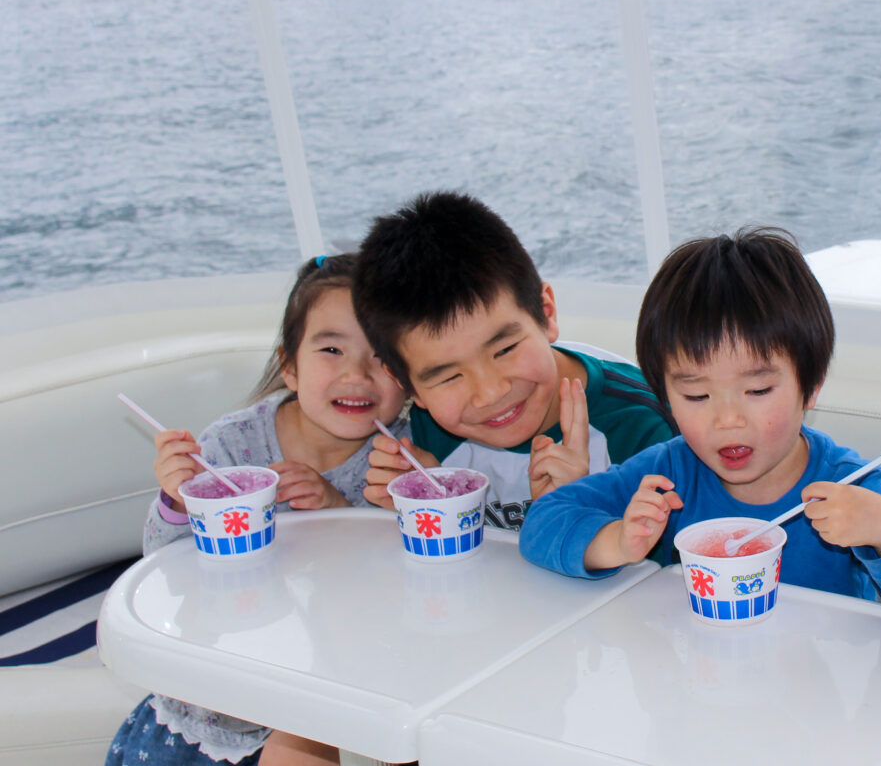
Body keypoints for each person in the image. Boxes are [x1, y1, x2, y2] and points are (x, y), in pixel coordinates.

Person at [520, 226, 881, 609]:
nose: (727, 420)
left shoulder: (849, 483)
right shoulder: (669, 474)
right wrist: (618, 541)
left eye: (757, 391)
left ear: (810, 386)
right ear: (665, 397)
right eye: (696, 395)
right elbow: (542, 523)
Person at [107, 253, 408, 766]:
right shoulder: (230, 446)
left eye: (382, 356)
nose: (357, 374)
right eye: (331, 349)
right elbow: (169, 569)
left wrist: (338, 509)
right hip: (209, 710)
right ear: (289, 365)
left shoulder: (402, 458)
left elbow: (398, 586)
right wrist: (178, 501)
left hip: (321, 712)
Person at [351, 191, 676, 529]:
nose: (490, 393)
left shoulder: (644, 430)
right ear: (405, 384)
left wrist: (578, 514)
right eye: (449, 377)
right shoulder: (422, 439)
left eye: (504, 350)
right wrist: (434, 511)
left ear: (546, 313)